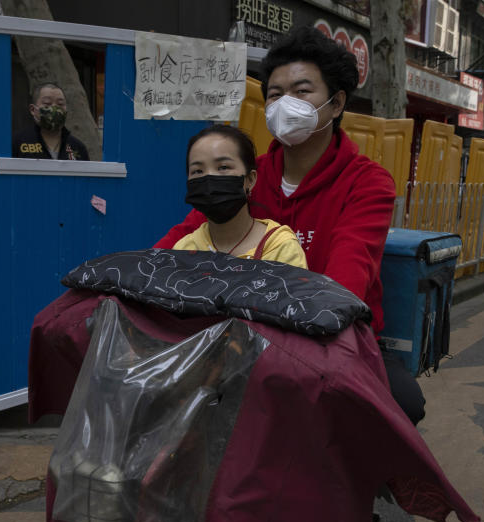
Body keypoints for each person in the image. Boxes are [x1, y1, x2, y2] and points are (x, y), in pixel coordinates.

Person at [155, 26, 425, 424]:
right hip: (236, 333)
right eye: (276, 94)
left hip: (332, 337)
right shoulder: (250, 175)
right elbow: (186, 234)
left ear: (336, 104)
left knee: (402, 405)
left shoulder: (366, 182)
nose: (286, 103)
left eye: (302, 91)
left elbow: (348, 274)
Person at [177, 124, 307, 268]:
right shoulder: (183, 250)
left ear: (250, 180)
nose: (209, 178)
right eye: (198, 171)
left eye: (223, 167)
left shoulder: (281, 249)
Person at [12, 82, 90, 160]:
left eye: (60, 104)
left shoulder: (78, 147)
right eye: (47, 103)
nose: (54, 108)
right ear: (33, 110)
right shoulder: (17, 142)